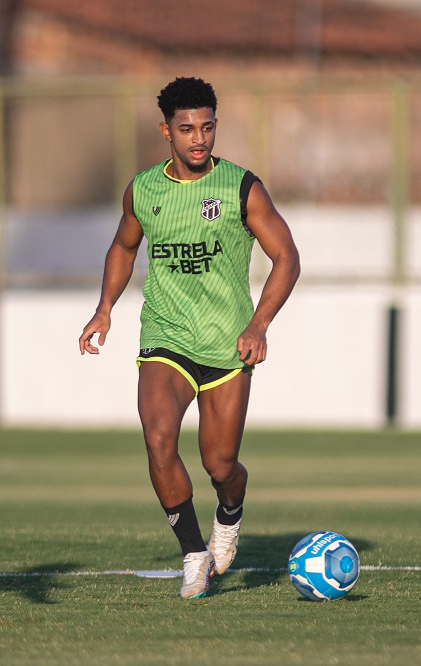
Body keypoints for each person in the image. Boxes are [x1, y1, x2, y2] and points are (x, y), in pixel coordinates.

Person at [79, 77, 300, 599]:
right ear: (166, 132)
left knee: (220, 465)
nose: (198, 138)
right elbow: (123, 246)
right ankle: (194, 553)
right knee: (158, 438)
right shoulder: (143, 189)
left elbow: (286, 257)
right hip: (166, 336)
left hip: (227, 343)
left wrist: (259, 324)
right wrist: (104, 309)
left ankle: (230, 513)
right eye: (186, 129)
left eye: (207, 127)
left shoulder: (242, 187)